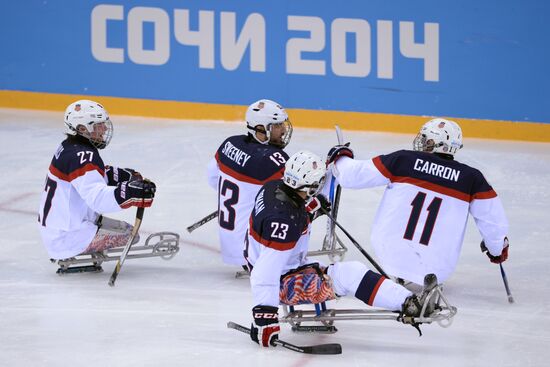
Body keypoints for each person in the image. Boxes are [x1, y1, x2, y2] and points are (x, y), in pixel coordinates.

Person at [245, 150, 440, 348]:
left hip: (286, 266)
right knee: (349, 275)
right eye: (317, 184)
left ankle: (408, 300)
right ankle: (410, 304)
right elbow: (265, 273)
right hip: (281, 284)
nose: (319, 186)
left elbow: (292, 210)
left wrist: (312, 204)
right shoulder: (284, 222)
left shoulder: (273, 187)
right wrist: (264, 316)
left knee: (350, 272)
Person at [326, 118, 509, 286]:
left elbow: (353, 176)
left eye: (425, 138)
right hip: (438, 268)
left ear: (435, 143)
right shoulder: (472, 178)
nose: (420, 141)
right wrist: (496, 248)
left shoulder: (404, 160)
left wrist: (340, 158)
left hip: (389, 255)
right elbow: (492, 221)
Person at [38, 100, 156, 261]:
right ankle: (78, 246)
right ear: (82, 129)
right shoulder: (82, 156)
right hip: (67, 238)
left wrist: (123, 176)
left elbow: (91, 174)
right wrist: (130, 193)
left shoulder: (69, 147)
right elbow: (98, 199)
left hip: (58, 230)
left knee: (128, 230)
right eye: (99, 125)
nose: (105, 128)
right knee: (132, 235)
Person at [207, 99, 292, 270]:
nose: (283, 129)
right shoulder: (272, 160)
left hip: (229, 245)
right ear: (261, 129)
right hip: (253, 250)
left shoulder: (229, 144)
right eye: (276, 126)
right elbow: (300, 195)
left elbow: (212, 178)